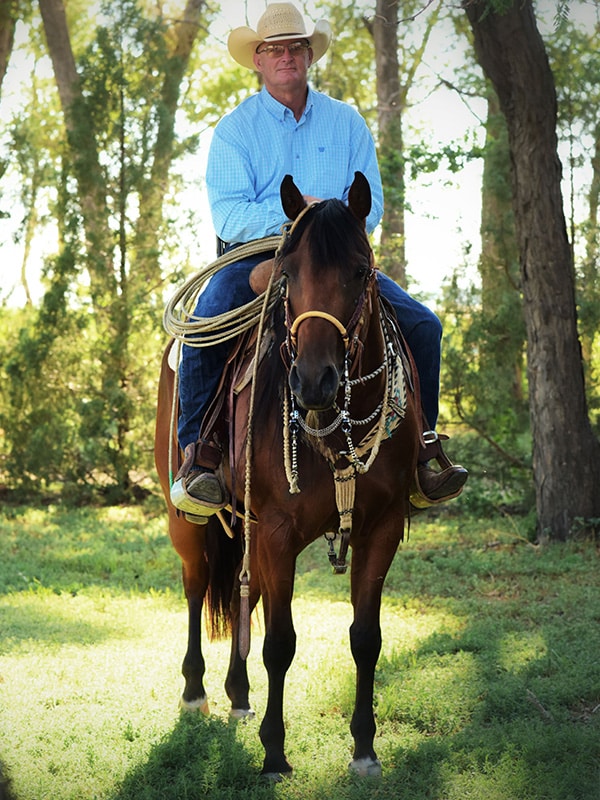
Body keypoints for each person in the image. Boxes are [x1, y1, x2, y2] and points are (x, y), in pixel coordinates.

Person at [172, 2, 467, 517]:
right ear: (258, 61)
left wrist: (327, 228)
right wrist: (299, 217)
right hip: (254, 257)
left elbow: (368, 201)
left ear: (308, 56)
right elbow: (228, 214)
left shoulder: (346, 123)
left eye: (294, 48)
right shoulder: (234, 131)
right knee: (204, 324)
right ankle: (199, 457)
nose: (286, 56)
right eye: (274, 50)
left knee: (424, 325)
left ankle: (422, 449)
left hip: (335, 262)